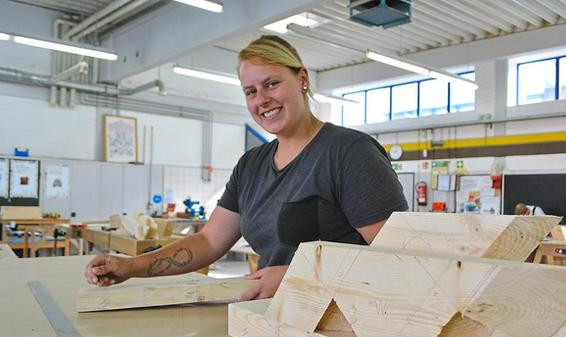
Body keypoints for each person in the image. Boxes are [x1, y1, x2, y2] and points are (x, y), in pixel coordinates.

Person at [84, 35, 408, 301]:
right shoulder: (251, 165)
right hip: (272, 319)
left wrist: (300, 277)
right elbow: (209, 242)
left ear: (303, 79)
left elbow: (400, 259)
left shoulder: (349, 153)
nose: (261, 100)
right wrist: (131, 266)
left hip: (344, 326)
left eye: (271, 84)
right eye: (251, 92)